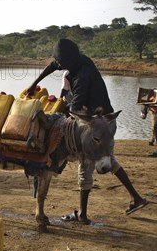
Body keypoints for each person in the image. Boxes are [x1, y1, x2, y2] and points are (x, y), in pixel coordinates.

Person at [27, 38, 147, 223]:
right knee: (108, 159)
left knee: (85, 164)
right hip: (106, 120)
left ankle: (82, 214)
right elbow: (52, 66)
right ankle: (136, 198)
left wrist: (56, 114)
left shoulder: (82, 75)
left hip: (97, 125)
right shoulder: (79, 61)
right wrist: (34, 84)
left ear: (70, 61)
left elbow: (75, 109)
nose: (60, 65)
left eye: (62, 63)